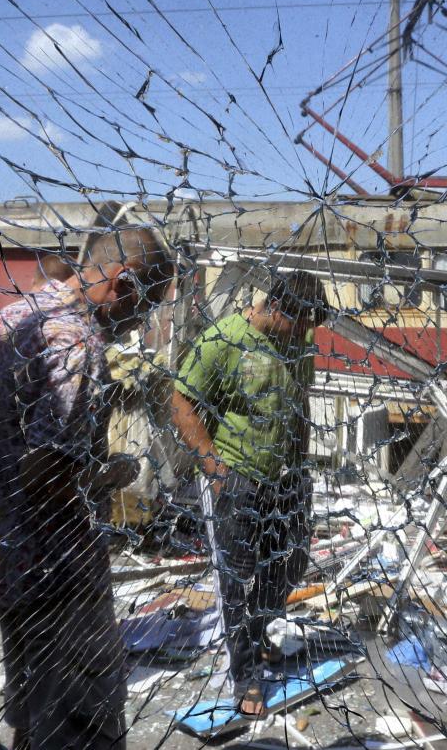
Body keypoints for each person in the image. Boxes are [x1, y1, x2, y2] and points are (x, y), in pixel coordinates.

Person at [0, 227, 173, 750]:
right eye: (145, 305)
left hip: (4, 556)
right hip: (55, 574)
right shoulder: (77, 343)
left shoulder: (16, 315)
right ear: (123, 285)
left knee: (33, 712)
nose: (140, 322)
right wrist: (112, 474)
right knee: (82, 723)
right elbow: (44, 473)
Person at [171, 270, 329, 719]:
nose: (304, 333)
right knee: (237, 581)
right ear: (275, 308)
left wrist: (301, 470)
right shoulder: (224, 340)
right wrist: (214, 469)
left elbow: (298, 403)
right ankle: (246, 676)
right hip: (239, 478)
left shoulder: (299, 341)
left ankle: (259, 636)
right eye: (299, 322)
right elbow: (181, 400)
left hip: (288, 480)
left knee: (290, 562)